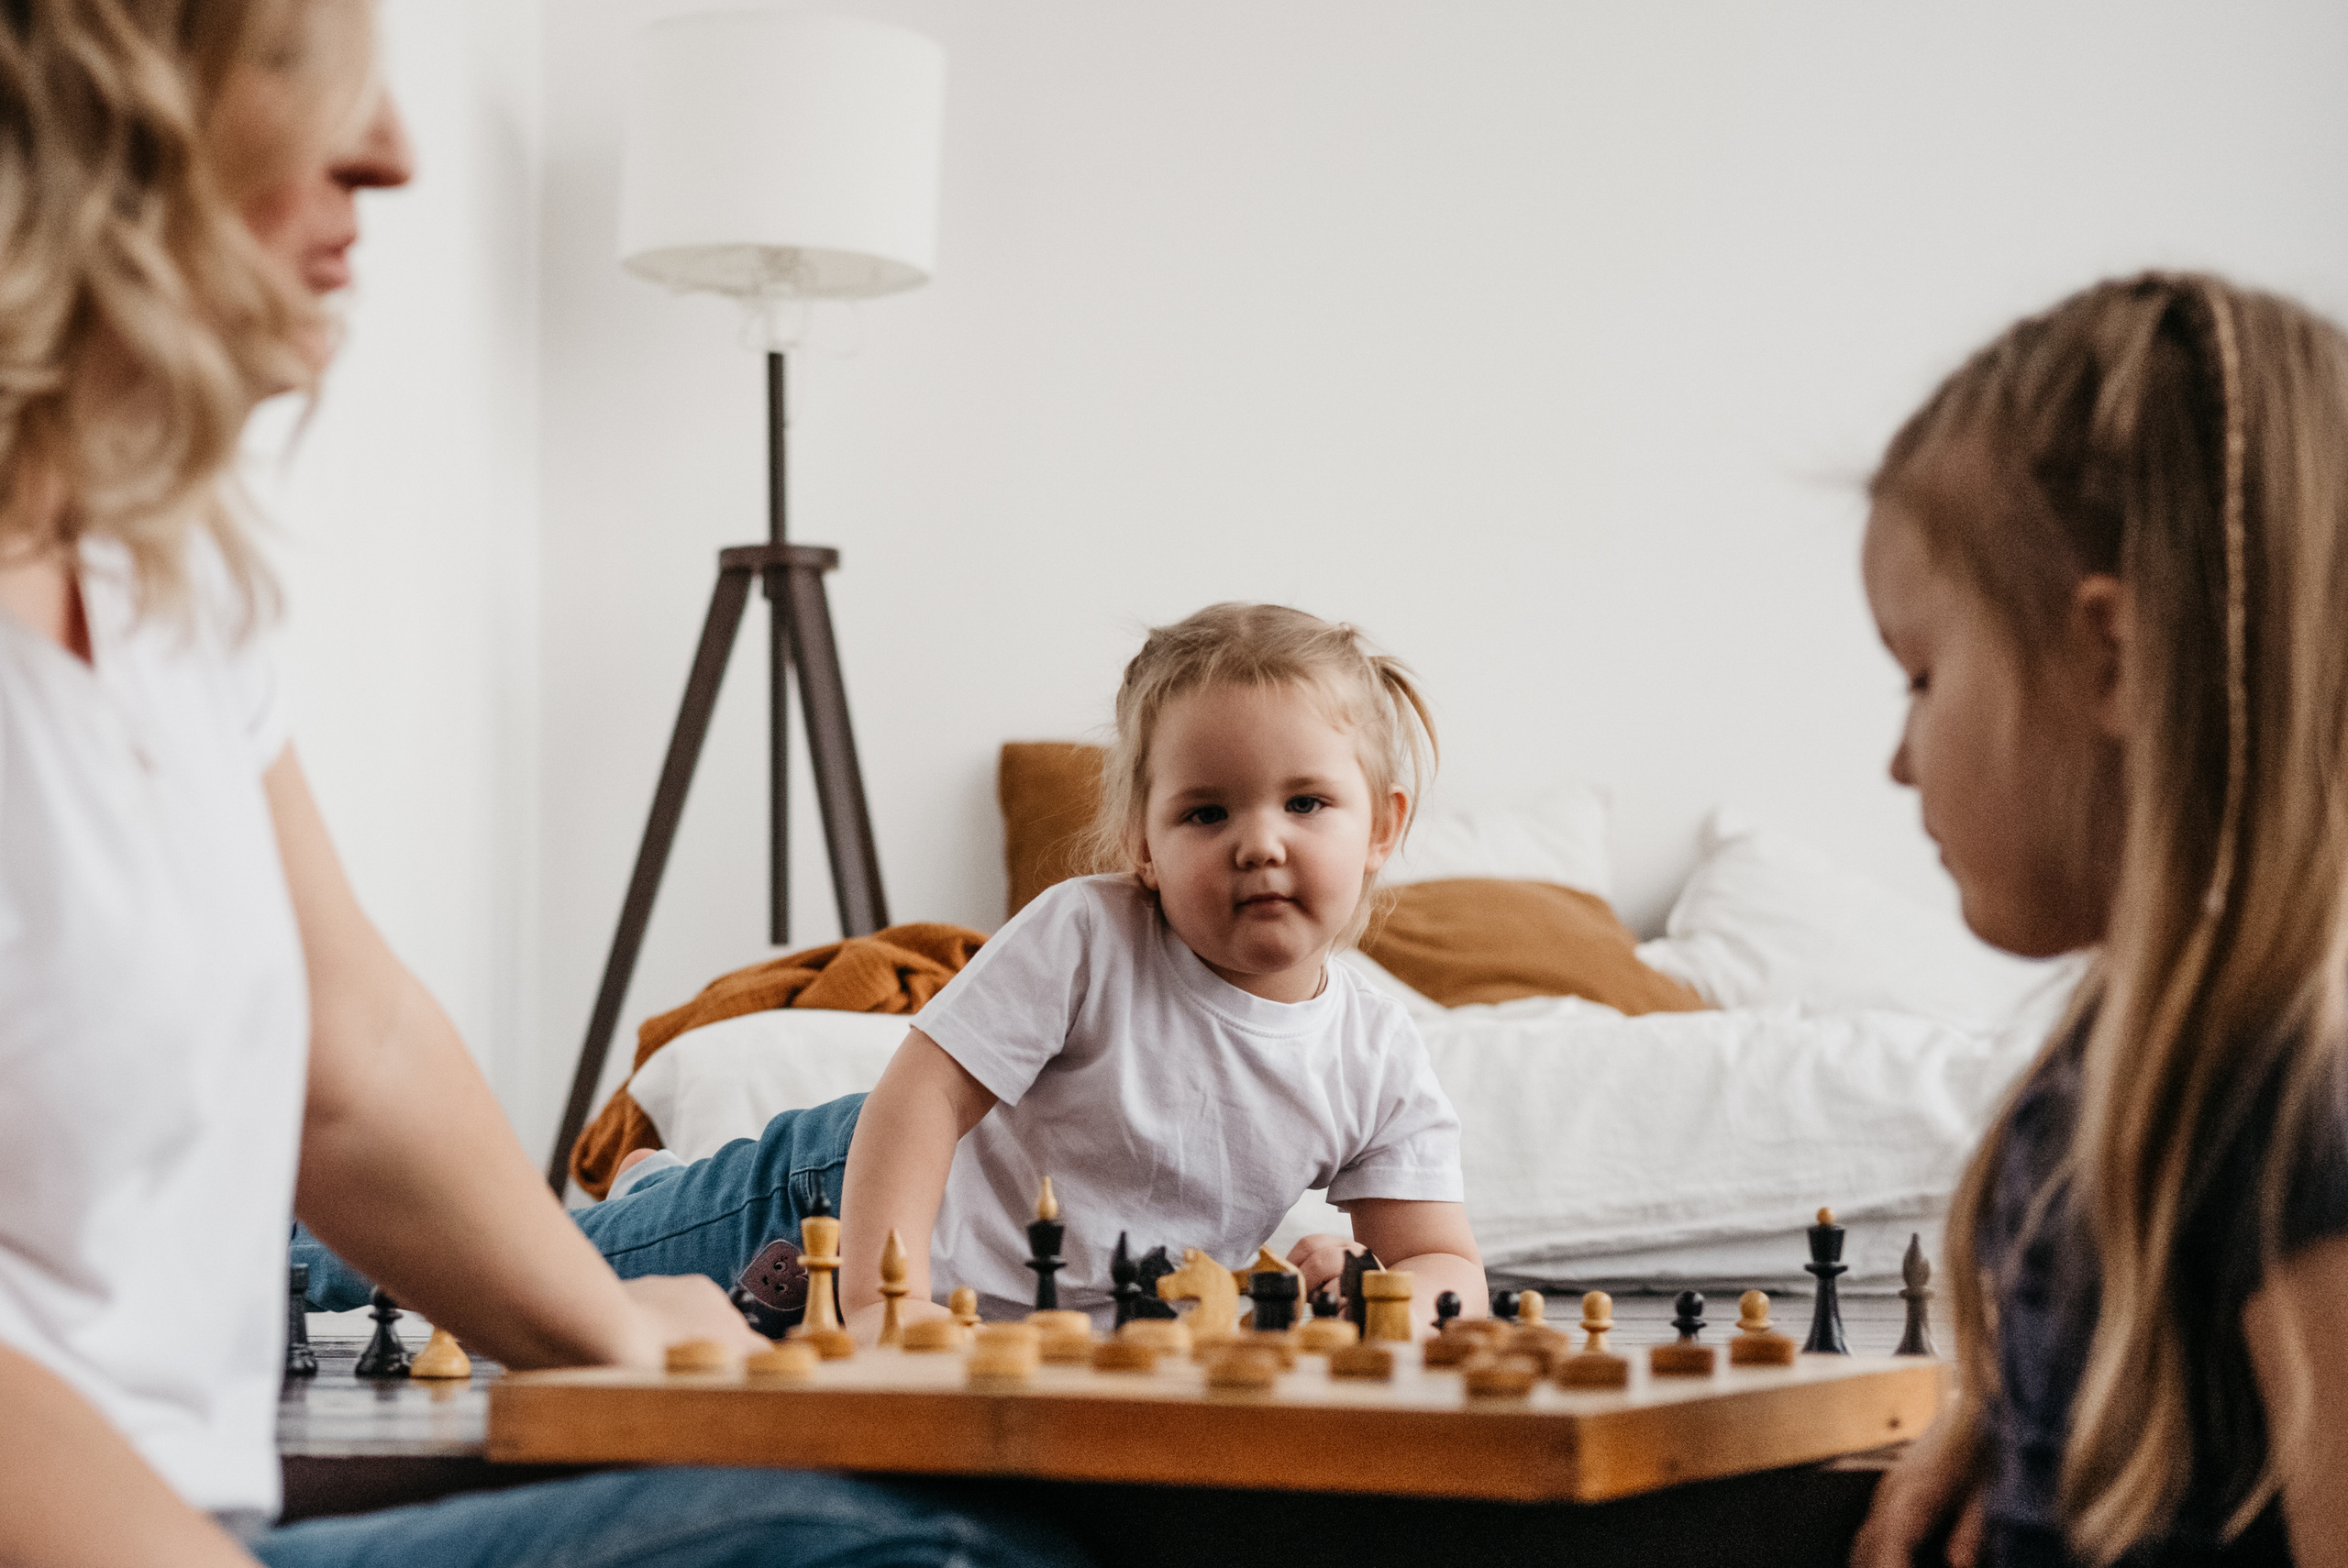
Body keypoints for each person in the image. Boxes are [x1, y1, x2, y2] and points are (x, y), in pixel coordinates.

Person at [0, 4, 1091, 1565]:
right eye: (305, 72)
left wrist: (626, 1340)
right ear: (87, 108)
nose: (392, 151)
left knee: (962, 1522)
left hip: (197, 1505)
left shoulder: (170, 590)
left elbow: (350, 1052)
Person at [298, 602, 1487, 1341]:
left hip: (1002, 1319)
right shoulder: (1090, 936)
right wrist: (878, 1297)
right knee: (508, 1267)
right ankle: (282, 1256)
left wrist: (1382, 1293)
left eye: (1306, 802)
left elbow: (1447, 1261)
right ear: (1142, 843)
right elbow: (926, 1091)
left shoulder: (1374, 1054)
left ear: (1381, 825)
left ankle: (656, 1190)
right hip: (826, 1206)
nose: (1259, 840)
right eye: (1207, 809)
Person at [1847, 275, 2348, 1568]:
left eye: (1921, 675)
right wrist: (2002, 1423)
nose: (1899, 761)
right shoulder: (2115, 1072)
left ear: (2110, 657)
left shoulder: (2293, 1108)